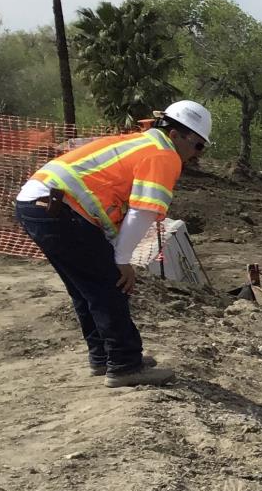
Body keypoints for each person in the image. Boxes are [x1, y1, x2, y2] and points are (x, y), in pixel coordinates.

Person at [13, 100, 211, 388]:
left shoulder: (141, 144)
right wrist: (122, 259)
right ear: (178, 134)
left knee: (86, 288)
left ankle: (104, 357)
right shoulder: (163, 155)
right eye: (198, 146)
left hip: (42, 205)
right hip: (59, 208)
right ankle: (124, 365)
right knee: (109, 285)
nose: (196, 155)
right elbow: (142, 211)